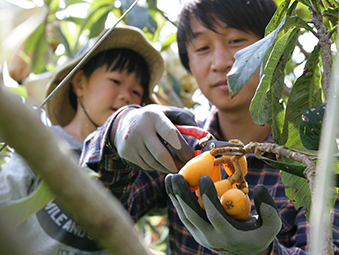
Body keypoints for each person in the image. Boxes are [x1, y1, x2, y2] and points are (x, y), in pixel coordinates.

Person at [79, 1, 339, 255]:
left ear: (274, 48)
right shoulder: (180, 147)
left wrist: (265, 251)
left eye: (237, 41)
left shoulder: (316, 161)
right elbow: (96, 218)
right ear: (188, 64)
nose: (221, 62)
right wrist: (115, 133)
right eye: (202, 47)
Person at [0, 25, 175, 255]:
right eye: (115, 81)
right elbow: (6, 198)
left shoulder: (131, 166)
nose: (126, 95)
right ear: (79, 83)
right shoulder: (43, 143)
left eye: (136, 92)